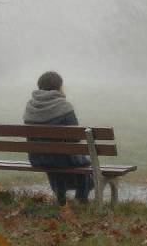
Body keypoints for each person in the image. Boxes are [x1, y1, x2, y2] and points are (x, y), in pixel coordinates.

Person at [23, 71, 94, 205]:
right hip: (62, 158)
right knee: (82, 161)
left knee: (55, 160)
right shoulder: (63, 106)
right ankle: (82, 197)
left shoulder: (30, 106)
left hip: (37, 158)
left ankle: (60, 197)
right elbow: (75, 138)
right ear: (58, 86)